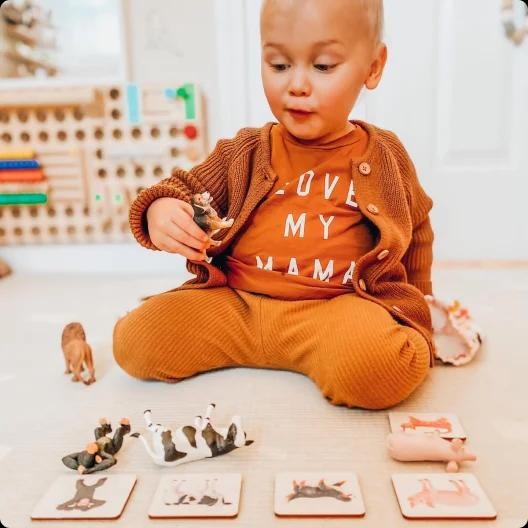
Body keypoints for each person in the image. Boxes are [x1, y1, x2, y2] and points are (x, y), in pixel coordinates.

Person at [113, 0, 435, 410]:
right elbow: (181, 188)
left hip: (332, 313)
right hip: (236, 307)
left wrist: (421, 300)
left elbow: (418, 227)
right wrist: (159, 210)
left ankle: (357, 348)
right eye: (279, 65)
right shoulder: (247, 150)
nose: (296, 85)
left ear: (372, 67)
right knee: (134, 341)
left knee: (379, 365)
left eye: (323, 66)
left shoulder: (385, 154)